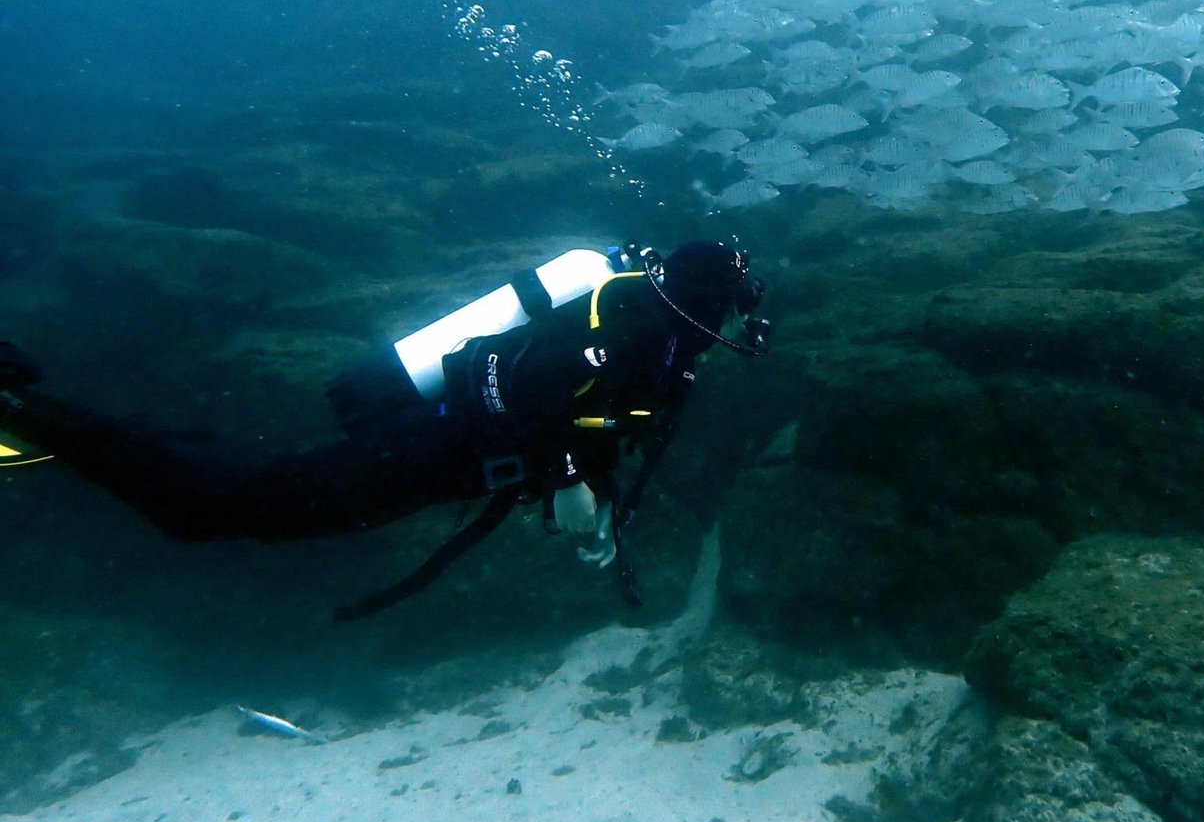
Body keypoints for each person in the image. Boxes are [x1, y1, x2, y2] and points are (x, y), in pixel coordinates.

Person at [0, 240, 771, 617]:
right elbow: (503, 379)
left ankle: (51, 420)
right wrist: (569, 476)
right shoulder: (628, 331)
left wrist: (592, 495)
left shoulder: (661, 351)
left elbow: (586, 420)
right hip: (426, 446)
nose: (731, 325)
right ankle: (24, 410)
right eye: (731, 308)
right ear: (704, 303)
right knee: (210, 510)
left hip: (433, 463)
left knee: (233, 499)